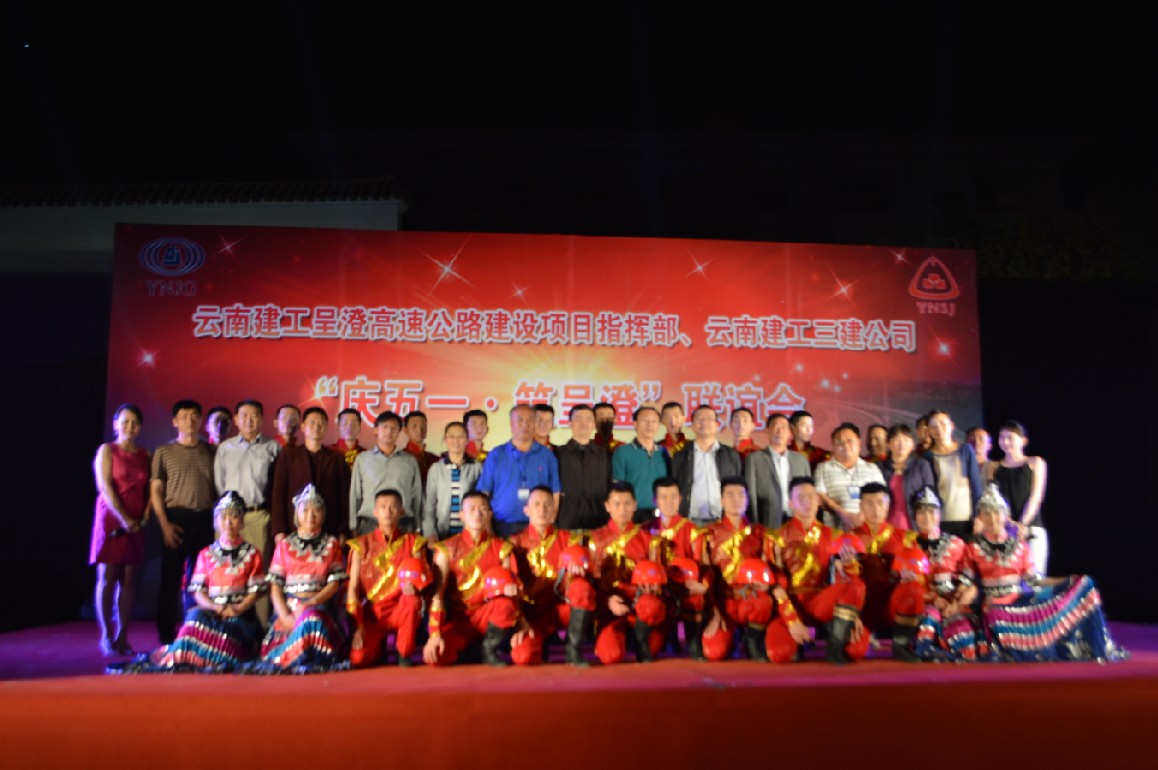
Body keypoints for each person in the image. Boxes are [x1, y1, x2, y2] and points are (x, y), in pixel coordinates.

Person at [964, 485, 1124, 662]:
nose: (992, 519)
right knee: (995, 616)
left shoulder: (1019, 546)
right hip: (995, 605)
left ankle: (1092, 646)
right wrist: (959, 601)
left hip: (1020, 600)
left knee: (1084, 584)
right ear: (980, 517)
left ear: (1005, 515)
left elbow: (1035, 580)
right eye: (986, 514)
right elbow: (968, 583)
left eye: (996, 513)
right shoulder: (973, 547)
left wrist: (1067, 580)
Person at [114, 492, 265, 672]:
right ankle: (185, 655)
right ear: (215, 521)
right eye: (223, 517)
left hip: (240, 615)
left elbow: (256, 591)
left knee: (227, 642)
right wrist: (215, 607)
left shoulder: (252, 553)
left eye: (233, 516)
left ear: (241, 521)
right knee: (194, 616)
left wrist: (237, 609)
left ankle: (217, 654)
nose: (228, 522)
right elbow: (198, 591)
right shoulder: (206, 554)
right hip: (214, 612)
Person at [765, 478, 868, 665]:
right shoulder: (775, 537)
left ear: (818, 501)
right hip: (791, 604)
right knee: (780, 653)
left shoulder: (834, 535)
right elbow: (775, 586)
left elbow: (848, 581)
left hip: (821, 602)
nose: (807, 501)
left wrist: (853, 614)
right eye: (801, 498)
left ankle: (834, 645)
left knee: (857, 649)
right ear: (790, 503)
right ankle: (806, 637)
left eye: (811, 496)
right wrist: (792, 620)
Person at [423, 491, 521, 667]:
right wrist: (434, 635)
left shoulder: (502, 548)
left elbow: (513, 592)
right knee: (436, 657)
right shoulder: (446, 549)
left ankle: (489, 649)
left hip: (489, 615)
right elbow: (437, 596)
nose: (477, 514)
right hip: (460, 620)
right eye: (472, 509)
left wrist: (521, 622)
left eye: (482, 509)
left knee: (505, 602)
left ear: (489, 515)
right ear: (462, 515)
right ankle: (471, 650)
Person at [258, 484, 348, 672]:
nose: (310, 515)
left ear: (323, 514)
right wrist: (284, 615)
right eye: (305, 510)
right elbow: (275, 587)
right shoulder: (284, 545)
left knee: (311, 620)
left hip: (319, 607)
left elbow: (333, 585)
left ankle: (297, 656)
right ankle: (293, 655)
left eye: (316, 510)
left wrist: (309, 603)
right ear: (296, 514)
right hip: (290, 609)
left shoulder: (331, 544)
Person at [150, 399, 217, 645]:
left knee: (203, 581)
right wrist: (164, 525)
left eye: (195, 415)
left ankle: (199, 631)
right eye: (184, 416)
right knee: (170, 579)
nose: (190, 420)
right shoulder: (163, 452)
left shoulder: (212, 451)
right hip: (175, 519)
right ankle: (167, 636)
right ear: (174, 421)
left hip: (205, 519)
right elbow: (156, 491)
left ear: (201, 420)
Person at [508, 486, 595, 666]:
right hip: (534, 614)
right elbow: (512, 587)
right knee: (523, 657)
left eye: (547, 505)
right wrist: (520, 622)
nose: (542, 509)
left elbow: (587, 574)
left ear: (554, 510)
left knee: (582, 586)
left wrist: (578, 573)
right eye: (537, 504)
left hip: (564, 608)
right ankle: (540, 643)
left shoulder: (569, 540)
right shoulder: (514, 543)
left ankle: (573, 649)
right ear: (526, 510)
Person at [213, 399, 280, 625]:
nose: (249, 420)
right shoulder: (225, 448)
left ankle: (259, 628)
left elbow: (276, 486)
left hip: (257, 516)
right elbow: (219, 484)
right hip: (228, 517)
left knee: (258, 573)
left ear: (261, 419)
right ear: (235, 419)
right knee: (225, 571)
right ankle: (225, 626)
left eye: (254, 416)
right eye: (244, 415)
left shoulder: (272, 448)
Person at [91, 404, 151, 656]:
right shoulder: (107, 450)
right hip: (111, 519)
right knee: (107, 577)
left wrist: (145, 515)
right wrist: (124, 518)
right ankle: (106, 635)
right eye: (125, 421)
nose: (129, 427)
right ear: (116, 424)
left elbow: (150, 490)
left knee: (129, 579)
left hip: (137, 521)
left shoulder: (146, 454)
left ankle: (123, 635)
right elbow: (105, 486)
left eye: (134, 422)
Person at [346, 489, 428, 668]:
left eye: (393, 507)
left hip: (400, 607)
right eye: (383, 507)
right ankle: (378, 648)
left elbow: (421, 578)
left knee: (412, 600)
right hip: (372, 613)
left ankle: (404, 651)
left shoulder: (413, 542)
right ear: (375, 512)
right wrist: (357, 626)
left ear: (402, 511)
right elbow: (352, 589)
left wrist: (415, 588)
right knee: (358, 659)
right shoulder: (360, 545)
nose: (388, 511)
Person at [587, 482, 665, 663]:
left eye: (627, 503)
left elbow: (657, 582)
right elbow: (590, 583)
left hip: (641, 608)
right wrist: (606, 601)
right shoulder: (594, 539)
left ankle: (640, 638)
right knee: (610, 655)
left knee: (652, 646)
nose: (622, 509)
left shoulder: (648, 539)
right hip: (609, 608)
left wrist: (648, 595)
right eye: (617, 504)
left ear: (635, 505)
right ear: (607, 506)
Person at [909, 487, 986, 662]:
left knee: (964, 640)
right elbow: (907, 586)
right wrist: (933, 598)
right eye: (921, 512)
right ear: (914, 516)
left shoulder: (957, 544)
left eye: (931, 511)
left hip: (956, 605)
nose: (926, 516)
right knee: (928, 621)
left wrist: (957, 604)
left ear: (940, 514)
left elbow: (971, 580)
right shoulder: (909, 546)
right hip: (924, 605)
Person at [848, 482, 924, 660]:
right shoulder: (849, 538)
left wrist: (912, 577)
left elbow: (921, 576)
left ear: (888, 505)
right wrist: (850, 615)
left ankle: (901, 645)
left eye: (880, 503)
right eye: (869, 503)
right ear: (860, 506)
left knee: (913, 589)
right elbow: (842, 581)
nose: (876, 508)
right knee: (853, 652)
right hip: (862, 608)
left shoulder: (905, 538)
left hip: (892, 604)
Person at [703, 477, 774, 661]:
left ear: (747, 500)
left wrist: (766, 584)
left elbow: (769, 570)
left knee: (763, 602)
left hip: (751, 599)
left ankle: (752, 640)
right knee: (714, 652)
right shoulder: (708, 533)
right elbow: (705, 576)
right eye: (730, 495)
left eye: (741, 495)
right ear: (721, 500)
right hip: (722, 602)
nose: (736, 500)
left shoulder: (760, 533)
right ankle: (732, 635)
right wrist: (714, 611)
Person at [647, 477, 711, 660]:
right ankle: (666, 637)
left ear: (680, 499)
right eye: (663, 497)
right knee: (651, 649)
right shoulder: (646, 530)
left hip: (687, 587)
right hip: (659, 589)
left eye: (673, 497)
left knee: (697, 597)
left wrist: (704, 584)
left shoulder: (692, 530)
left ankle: (693, 640)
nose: (669, 502)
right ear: (655, 500)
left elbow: (704, 564)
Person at [476, 404, 561, 536]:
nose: (525, 425)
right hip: (501, 526)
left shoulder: (547, 455)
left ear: (535, 424)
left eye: (530, 420)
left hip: (538, 527)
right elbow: (484, 492)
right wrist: (486, 525)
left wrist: (551, 521)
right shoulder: (496, 455)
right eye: (520, 420)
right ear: (511, 423)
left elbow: (555, 492)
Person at [271, 407, 349, 541]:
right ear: (303, 427)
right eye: (312, 423)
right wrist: (279, 530)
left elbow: (343, 497)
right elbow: (278, 495)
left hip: (329, 529)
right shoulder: (288, 456)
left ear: (326, 428)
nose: (316, 427)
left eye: (321, 424)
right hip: (293, 529)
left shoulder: (337, 459)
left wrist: (343, 530)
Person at [349, 411, 423, 536]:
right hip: (369, 523)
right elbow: (355, 494)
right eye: (385, 427)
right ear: (375, 430)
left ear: (399, 432)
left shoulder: (410, 461)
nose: (389, 431)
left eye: (393, 428)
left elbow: (417, 495)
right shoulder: (362, 459)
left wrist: (418, 526)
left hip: (403, 523)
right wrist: (353, 525)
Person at [991, 420, 1050, 576]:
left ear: (1023, 441)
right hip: (1004, 529)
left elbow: (1036, 496)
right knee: (1011, 577)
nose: (1005, 442)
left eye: (1010, 437)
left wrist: (1022, 524)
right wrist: (1009, 523)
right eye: (1002, 437)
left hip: (1032, 527)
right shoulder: (994, 467)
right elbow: (993, 498)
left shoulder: (1035, 462)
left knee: (1034, 577)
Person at [670, 405, 743, 524]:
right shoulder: (681, 455)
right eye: (699, 419)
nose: (704, 423)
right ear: (692, 425)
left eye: (709, 419)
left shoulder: (730, 455)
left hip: (723, 521)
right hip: (689, 522)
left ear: (717, 425)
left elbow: (739, 487)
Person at [813, 423, 884, 529]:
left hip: (868, 531)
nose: (845, 445)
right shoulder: (823, 468)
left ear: (859, 443)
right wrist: (844, 515)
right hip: (835, 532)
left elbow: (883, 499)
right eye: (839, 442)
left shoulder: (872, 468)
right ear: (833, 445)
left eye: (849, 441)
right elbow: (820, 497)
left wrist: (862, 517)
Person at [924, 410, 983, 537]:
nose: (939, 428)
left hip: (967, 519)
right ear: (929, 431)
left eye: (943, 424)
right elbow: (930, 490)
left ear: (952, 426)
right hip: (941, 520)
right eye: (934, 426)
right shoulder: (928, 456)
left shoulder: (965, 450)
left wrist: (978, 515)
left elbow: (976, 485)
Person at [745, 412, 810, 527]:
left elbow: (809, 493)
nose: (780, 431)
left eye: (784, 427)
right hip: (768, 520)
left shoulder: (801, 460)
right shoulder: (754, 459)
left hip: (798, 520)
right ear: (767, 430)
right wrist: (755, 523)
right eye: (775, 426)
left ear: (789, 432)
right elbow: (751, 494)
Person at [555, 404, 612, 530]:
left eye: (588, 419)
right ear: (570, 423)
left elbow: (610, 487)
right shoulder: (559, 453)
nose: (583, 423)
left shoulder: (604, 454)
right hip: (567, 520)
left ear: (594, 424)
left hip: (599, 519)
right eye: (578, 418)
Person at [423, 421, 482, 539]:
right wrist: (430, 533)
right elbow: (429, 505)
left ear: (467, 440)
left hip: (470, 534)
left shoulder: (477, 467)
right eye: (451, 436)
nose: (456, 441)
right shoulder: (436, 469)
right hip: (441, 534)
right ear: (445, 440)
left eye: (460, 437)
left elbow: (482, 502)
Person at [612, 406, 670, 524]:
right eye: (645, 420)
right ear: (635, 424)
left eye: (654, 421)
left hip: (660, 514)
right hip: (632, 515)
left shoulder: (664, 453)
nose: (649, 424)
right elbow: (617, 487)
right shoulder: (622, 452)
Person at [877, 423, 936, 530]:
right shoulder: (880, 467)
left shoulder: (921, 465)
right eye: (897, 439)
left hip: (915, 524)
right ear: (888, 444)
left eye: (906, 439)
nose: (901, 444)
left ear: (912, 444)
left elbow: (931, 496)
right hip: (886, 525)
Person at [403, 410, 439, 483]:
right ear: (405, 430)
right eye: (414, 426)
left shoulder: (434, 459)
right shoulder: (401, 457)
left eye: (423, 426)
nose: (419, 430)